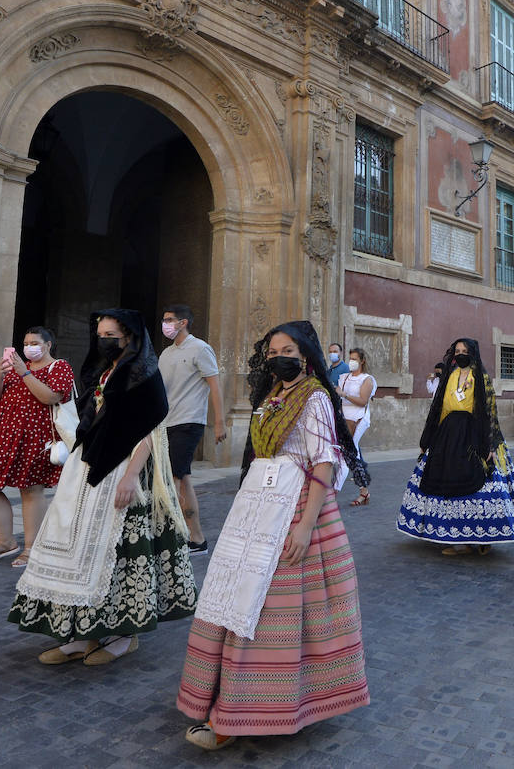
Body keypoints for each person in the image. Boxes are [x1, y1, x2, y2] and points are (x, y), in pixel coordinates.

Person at [177, 321, 368, 750]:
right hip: (256, 509)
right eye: (271, 351)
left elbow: (324, 463)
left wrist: (303, 526)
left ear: (305, 355)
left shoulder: (315, 396)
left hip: (295, 509)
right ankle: (223, 700)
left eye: (287, 349)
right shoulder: (272, 396)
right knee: (232, 598)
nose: (277, 356)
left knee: (266, 609)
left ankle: (240, 714)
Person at [10, 309, 196, 665]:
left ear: (129, 337)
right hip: (89, 468)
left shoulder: (145, 373)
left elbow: (151, 428)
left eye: (111, 334)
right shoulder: (105, 371)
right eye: (100, 334)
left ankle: (124, 635)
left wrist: (129, 476)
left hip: (124, 468)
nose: (103, 340)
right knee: (79, 547)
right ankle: (82, 633)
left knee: (119, 551)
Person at [397, 338, 514, 553]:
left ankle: (485, 537)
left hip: (475, 432)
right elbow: (439, 408)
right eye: (457, 350)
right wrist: (428, 439)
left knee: (482, 484)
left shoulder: (482, 378)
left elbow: (489, 411)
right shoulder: (450, 376)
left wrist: (490, 445)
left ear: (472, 353)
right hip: (448, 433)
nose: (460, 354)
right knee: (450, 483)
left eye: (464, 351)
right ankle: (461, 538)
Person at [0, 326, 75, 568]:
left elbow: (51, 397)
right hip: (1, 435)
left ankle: (31, 548)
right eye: (25, 343)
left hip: (35, 436)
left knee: (31, 490)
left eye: (34, 343)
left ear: (48, 345)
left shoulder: (60, 367)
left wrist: (25, 374)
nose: (28, 347)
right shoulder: (15, 368)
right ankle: (5, 542)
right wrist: (0, 376)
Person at [158, 304, 226, 557]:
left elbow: (215, 385)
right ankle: (196, 539)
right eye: (164, 319)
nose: (164, 324)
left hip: (189, 422)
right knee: (182, 478)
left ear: (183, 322)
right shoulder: (165, 354)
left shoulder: (200, 348)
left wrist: (219, 422)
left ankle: (173, 536)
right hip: (166, 422)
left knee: (174, 479)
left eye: (169, 319)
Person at [335, 347, 376, 507]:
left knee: (346, 457)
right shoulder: (344, 377)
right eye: (350, 358)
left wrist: (344, 394)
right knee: (354, 456)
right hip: (344, 419)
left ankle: (331, 496)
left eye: (354, 359)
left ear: (362, 361)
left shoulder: (367, 379)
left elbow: (363, 401)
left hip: (358, 419)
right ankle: (364, 492)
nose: (351, 361)